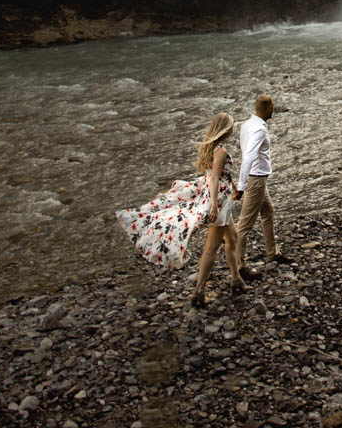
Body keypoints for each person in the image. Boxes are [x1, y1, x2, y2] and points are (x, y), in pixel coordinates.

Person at [115, 111, 246, 308]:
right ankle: (199, 292)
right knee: (211, 248)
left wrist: (234, 187)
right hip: (219, 203)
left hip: (223, 199)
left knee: (232, 238)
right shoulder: (220, 152)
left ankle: (236, 280)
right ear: (225, 129)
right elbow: (214, 179)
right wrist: (212, 204)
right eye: (231, 125)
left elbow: (220, 176)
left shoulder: (214, 149)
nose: (233, 128)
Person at [235, 94, 288, 277]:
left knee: (268, 211)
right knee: (244, 224)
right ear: (268, 108)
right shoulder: (258, 129)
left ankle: (272, 254)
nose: (273, 110)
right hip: (255, 179)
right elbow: (248, 156)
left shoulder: (247, 124)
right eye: (272, 107)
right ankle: (239, 267)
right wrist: (241, 186)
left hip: (258, 178)